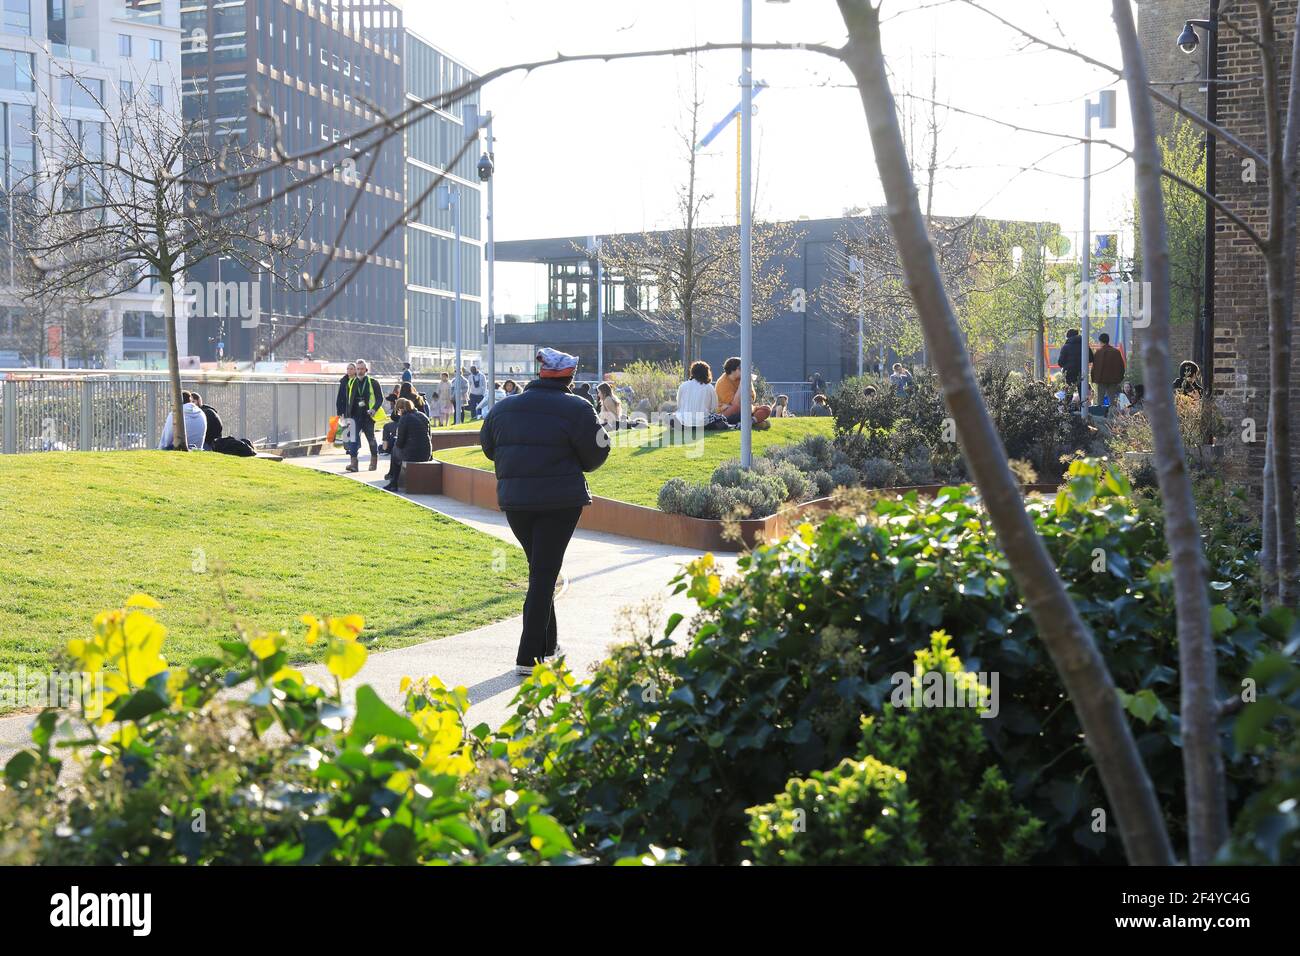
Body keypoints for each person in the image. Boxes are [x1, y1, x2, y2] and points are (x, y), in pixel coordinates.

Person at [480, 348, 610, 675]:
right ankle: (529, 656)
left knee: (541, 571)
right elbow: (596, 455)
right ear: (570, 376)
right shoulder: (578, 408)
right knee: (542, 575)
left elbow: (488, 448)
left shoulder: (504, 408)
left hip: (515, 502)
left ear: (540, 374)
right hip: (560, 503)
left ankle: (549, 644)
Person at [344, 359, 383, 472]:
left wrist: (374, 409)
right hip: (355, 416)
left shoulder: (373, 382)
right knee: (353, 440)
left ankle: (374, 461)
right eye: (358, 369)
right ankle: (354, 464)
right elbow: (348, 401)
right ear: (355, 370)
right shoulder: (351, 382)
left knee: (371, 439)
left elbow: (380, 398)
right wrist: (346, 416)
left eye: (362, 369)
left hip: (368, 416)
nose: (360, 371)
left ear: (366, 370)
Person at [384, 398, 431, 492]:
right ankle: (392, 480)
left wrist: (396, 442)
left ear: (401, 409)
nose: (398, 414)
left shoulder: (404, 418)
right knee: (396, 448)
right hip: (426, 454)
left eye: (397, 411)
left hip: (412, 455)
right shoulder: (423, 416)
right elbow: (430, 436)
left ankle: (393, 482)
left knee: (394, 449)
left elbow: (400, 443)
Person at [715, 356, 771, 429]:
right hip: (727, 413)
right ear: (734, 370)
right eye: (742, 368)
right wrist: (742, 383)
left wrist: (747, 382)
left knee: (766, 409)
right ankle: (755, 422)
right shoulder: (722, 383)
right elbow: (735, 404)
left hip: (745, 409)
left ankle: (750, 422)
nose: (745, 371)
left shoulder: (743, 378)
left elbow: (752, 398)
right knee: (738, 407)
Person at [674, 360, 729, 430]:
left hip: (684, 421)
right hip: (703, 421)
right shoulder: (709, 387)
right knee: (720, 418)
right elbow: (714, 408)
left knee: (670, 416)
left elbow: (679, 405)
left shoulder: (683, 385)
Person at [1090, 332, 1126, 405]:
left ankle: (1100, 414)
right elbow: (1121, 366)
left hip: (1101, 379)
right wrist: (1120, 378)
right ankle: (1112, 415)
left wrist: (1093, 378)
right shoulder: (1116, 352)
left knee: (1100, 399)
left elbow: (1094, 367)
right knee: (1112, 400)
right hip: (1113, 380)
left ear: (1100, 341)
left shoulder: (1098, 352)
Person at [1056, 329, 1092, 402]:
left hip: (1069, 373)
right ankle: (1083, 410)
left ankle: (1067, 409)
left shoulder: (1066, 347)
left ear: (1068, 337)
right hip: (1082, 372)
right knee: (1082, 393)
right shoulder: (1084, 345)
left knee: (1069, 392)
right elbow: (1091, 358)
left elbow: (1060, 362)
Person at [335, 361, 359, 460]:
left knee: (354, 428)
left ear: (355, 370)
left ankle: (354, 447)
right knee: (346, 428)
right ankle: (348, 447)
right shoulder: (343, 381)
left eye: (351, 369)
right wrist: (339, 412)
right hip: (345, 409)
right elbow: (340, 397)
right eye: (348, 369)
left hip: (356, 409)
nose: (349, 371)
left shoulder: (358, 381)